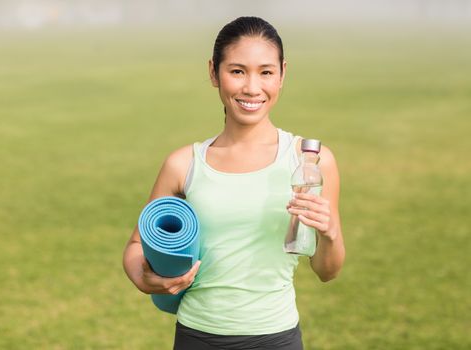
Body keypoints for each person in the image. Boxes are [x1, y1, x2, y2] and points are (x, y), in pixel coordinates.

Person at [123, 16, 345, 350]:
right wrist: (145, 280)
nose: (252, 88)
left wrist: (329, 234)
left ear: (283, 73)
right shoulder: (183, 164)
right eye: (237, 71)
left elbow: (328, 271)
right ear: (214, 72)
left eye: (266, 72)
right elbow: (136, 246)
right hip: (197, 336)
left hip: (277, 337)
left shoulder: (311, 162)